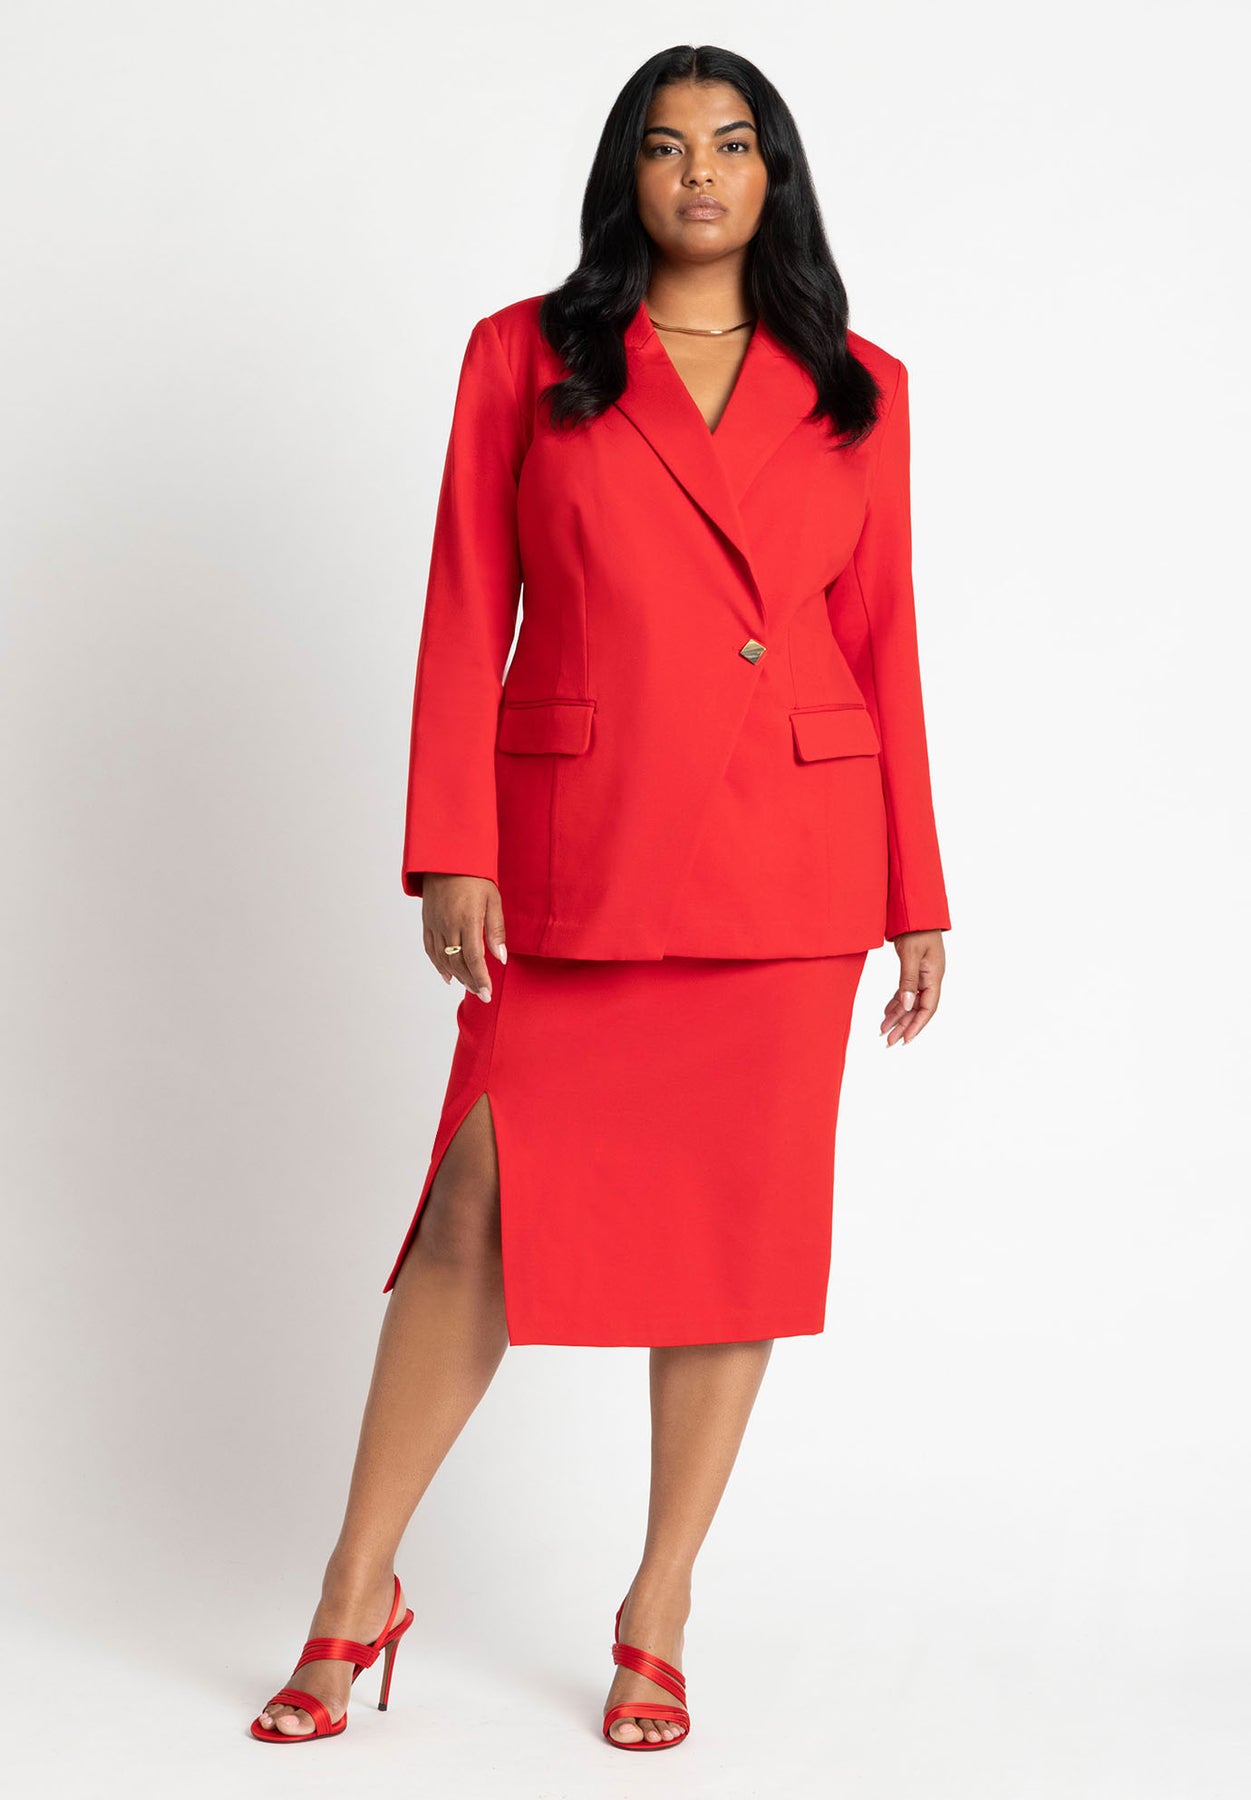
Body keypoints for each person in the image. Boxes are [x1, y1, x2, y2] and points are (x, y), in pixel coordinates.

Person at [251, 42, 951, 1753]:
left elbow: (885, 643)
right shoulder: (527, 355)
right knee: (475, 1210)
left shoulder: (860, 384)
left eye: (733, 143)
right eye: (664, 143)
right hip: (580, 842)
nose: (699, 171)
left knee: (731, 1246)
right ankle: (356, 1584)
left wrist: (916, 887)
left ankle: (659, 1606)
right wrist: (454, 841)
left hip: (790, 861)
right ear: (625, 173)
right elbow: (463, 598)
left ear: (775, 174)